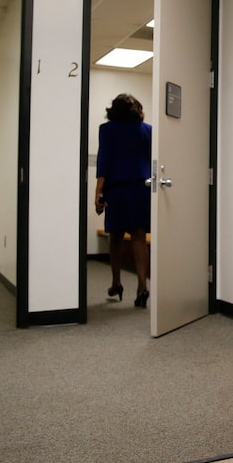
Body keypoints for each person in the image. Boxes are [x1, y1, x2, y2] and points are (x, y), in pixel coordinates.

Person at [94, 93, 151, 307]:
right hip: (141, 188)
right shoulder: (148, 131)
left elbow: (104, 162)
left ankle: (116, 282)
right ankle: (142, 286)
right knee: (139, 236)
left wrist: (98, 194)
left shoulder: (107, 130)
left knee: (116, 237)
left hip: (117, 189)